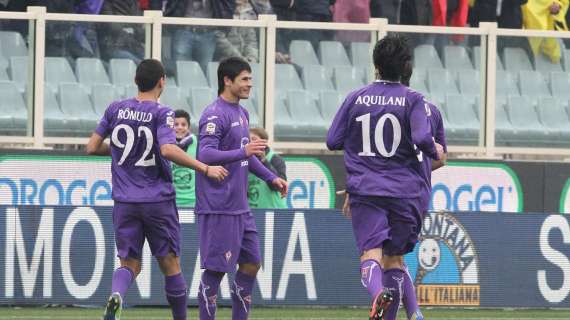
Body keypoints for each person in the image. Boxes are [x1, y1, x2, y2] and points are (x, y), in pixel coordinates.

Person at [86, 59, 228, 320]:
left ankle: (116, 295)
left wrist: (120, 153)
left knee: (129, 263)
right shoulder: (162, 113)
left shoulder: (115, 109)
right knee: (170, 263)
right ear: (162, 81)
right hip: (157, 200)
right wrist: (205, 168)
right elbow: (167, 149)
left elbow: (92, 147)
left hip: (124, 200)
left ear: (135, 80)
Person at [326, 35, 444, 320]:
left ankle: (377, 292)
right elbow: (423, 140)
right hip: (406, 192)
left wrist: (362, 162)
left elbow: (333, 140)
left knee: (371, 253)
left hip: (366, 189)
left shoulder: (355, 97)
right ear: (407, 66)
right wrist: (433, 148)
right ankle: (410, 312)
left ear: (376, 64)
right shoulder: (415, 100)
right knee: (395, 258)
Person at [195, 57, 288, 320]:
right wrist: (243, 151)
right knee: (215, 271)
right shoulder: (214, 114)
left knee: (251, 264)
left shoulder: (242, 113)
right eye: (245, 79)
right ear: (227, 80)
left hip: (240, 207)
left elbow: (246, 158)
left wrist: (271, 177)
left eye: (250, 79)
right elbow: (206, 153)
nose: (250, 84)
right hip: (219, 206)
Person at [247, 127, 288, 209]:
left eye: (254, 139)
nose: (250, 142)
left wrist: (264, 161)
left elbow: (279, 187)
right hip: (251, 211)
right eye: (248, 139)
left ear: (264, 142)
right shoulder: (243, 159)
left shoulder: (274, 158)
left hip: (273, 211)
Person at [172, 109, 198, 207]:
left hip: (192, 201)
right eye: (176, 124)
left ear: (189, 127)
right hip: (172, 202)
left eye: (183, 125)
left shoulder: (195, 143)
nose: (179, 127)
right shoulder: (166, 145)